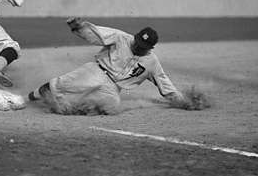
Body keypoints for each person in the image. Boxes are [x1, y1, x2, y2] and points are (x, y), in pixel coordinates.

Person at [27, 18, 188, 115]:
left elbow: (164, 84)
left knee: (111, 106)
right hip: (97, 71)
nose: (138, 47)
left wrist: (183, 102)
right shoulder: (121, 37)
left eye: (143, 46)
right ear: (136, 37)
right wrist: (80, 27)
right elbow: (97, 34)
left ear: (150, 48)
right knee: (61, 84)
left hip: (113, 89)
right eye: (137, 42)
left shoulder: (151, 62)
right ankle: (31, 97)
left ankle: (68, 108)